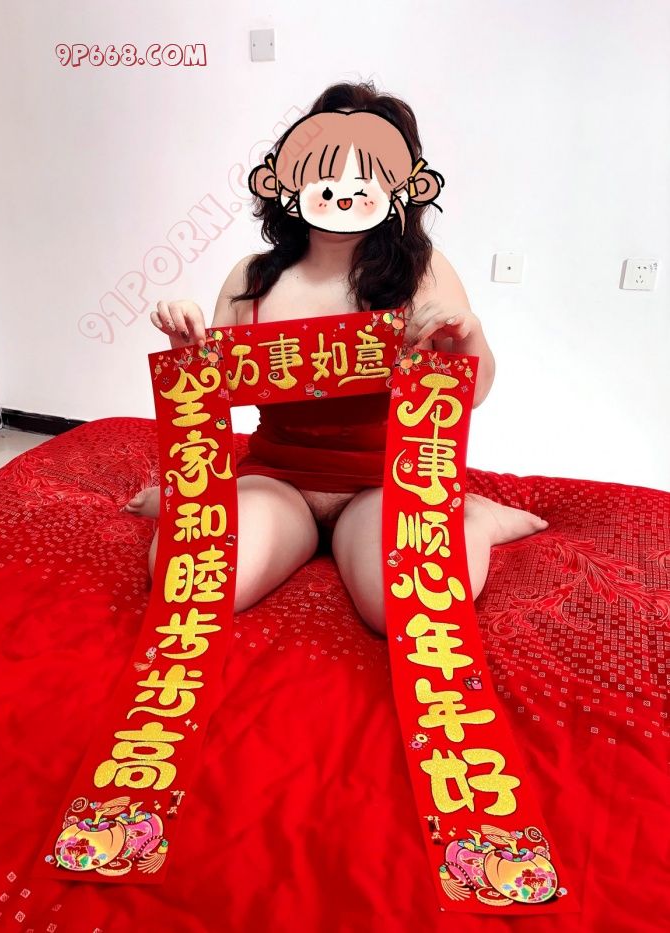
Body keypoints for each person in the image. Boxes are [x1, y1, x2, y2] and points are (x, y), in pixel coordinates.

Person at [124, 80, 549, 637]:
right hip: (278, 477)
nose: (342, 191)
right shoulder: (253, 276)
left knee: (408, 610)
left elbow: (474, 393)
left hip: (384, 482)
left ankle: (476, 518)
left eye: (365, 172)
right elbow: (214, 393)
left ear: (400, 184)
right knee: (189, 583)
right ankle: (202, 509)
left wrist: (467, 334)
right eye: (326, 168)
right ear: (290, 177)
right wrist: (187, 348)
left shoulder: (423, 271)